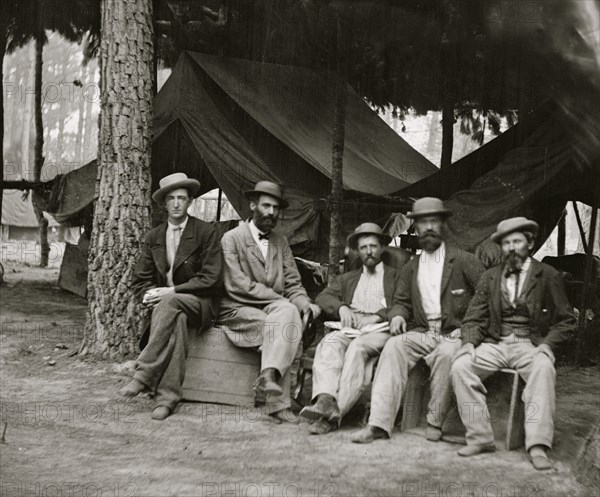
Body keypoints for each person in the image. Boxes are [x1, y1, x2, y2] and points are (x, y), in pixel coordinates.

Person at [352, 197, 484, 443]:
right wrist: (399, 315)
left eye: (434, 222)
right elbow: (400, 301)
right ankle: (378, 424)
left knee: (447, 354)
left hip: (454, 333)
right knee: (393, 346)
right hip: (424, 331)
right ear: (416, 228)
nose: (429, 228)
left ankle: (434, 422)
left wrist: (468, 331)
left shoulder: (464, 260)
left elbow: (485, 299)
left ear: (443, 225)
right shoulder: (412, 266)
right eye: (423, 223)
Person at [451, 217, 576, 470]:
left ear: (529, 243)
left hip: (530, 345)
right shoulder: (490, 277)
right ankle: (480, 437)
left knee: (543, 369)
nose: (511, 247)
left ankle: (538, 445)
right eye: (506, 243)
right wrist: (468, 343)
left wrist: (548, 346)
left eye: (517, 241)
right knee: (460, 367)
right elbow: (474, 317)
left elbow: (566, 320)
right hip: (495, 343)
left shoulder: (547, 275)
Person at [119, 173, 222, 420]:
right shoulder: (154, 236)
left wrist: (171, 291)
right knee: (177, 322)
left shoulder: (206, 232)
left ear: (190, 202)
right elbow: (139, 281)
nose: (177, 204)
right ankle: (167, 400)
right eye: (171, 199)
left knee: (171, 302)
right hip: (169, 310)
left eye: (182, 198)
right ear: (164, 203)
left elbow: (211, 279)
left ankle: (143, 373)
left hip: (202, 303)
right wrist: (149, 296)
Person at [217, 181, 320, 423]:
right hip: (236, 308)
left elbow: (293, 282)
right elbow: (237, 285)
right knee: (286, 322)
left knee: (289, 316)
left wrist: (303, 302)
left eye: (275, 207)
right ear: (253, 206)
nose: (271, 212)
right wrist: (285, 302)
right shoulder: (231, 239)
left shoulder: (280, 242)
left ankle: (267, 377)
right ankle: (279, 403)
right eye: (266, 206)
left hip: (272, 309)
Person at [299, 223, 404, 434]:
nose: (369, 251)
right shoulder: (348, 278)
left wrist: (378, 315)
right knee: (329, 342)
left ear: (382, 247)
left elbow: (404, 302)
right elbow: (324, 296)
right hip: (351, 330)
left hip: (380, 331)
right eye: (363, 247)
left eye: (373, 246)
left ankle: (333, 417)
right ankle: (326, 399)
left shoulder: (395, 276)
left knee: (357, 350)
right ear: (357, 250)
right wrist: (342, 307)